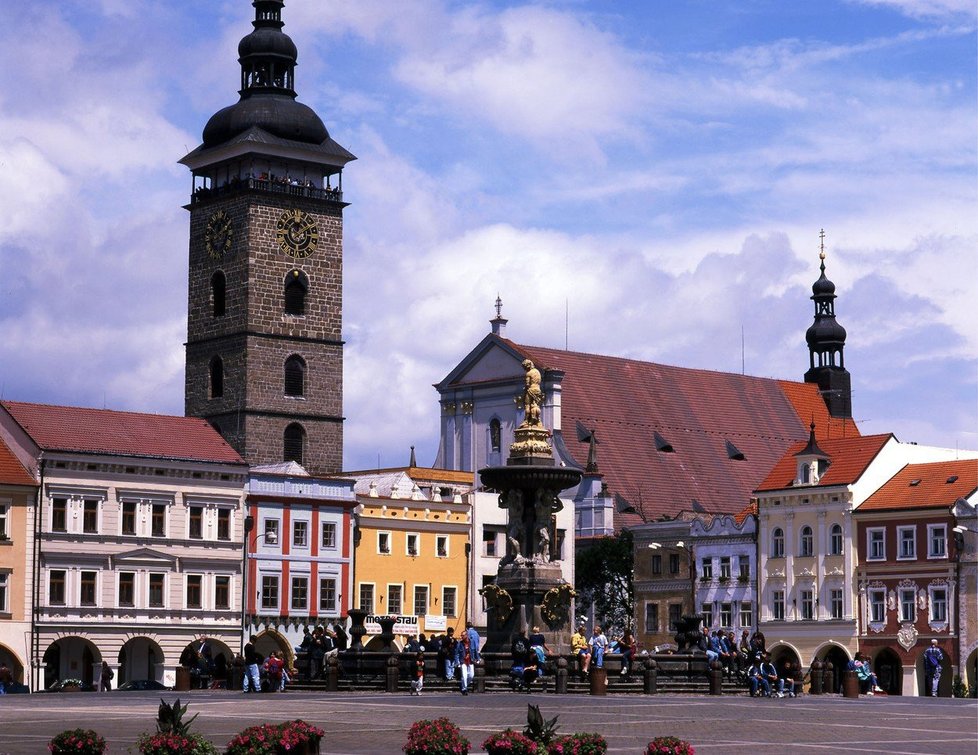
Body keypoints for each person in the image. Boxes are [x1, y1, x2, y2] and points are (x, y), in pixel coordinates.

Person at [454, 631, 474, 695]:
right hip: (463, 661)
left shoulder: (472, 642)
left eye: (463, 635)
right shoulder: (460, 644)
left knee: (471, 675)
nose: (461, 636)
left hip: (470, 661)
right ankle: (464, 689)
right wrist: (457, 662)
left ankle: (463, 686)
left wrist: (477, 658)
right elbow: (456, 654)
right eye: (461, 635)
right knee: (464, 676)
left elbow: (475, 650)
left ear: (466, 635)